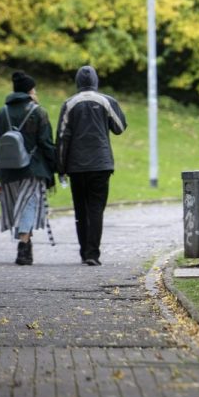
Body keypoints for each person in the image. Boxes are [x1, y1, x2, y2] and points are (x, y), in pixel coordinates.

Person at [56, 66, 127, 266]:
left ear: (77, 82)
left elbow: (62, 138)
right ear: (96, 81)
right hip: (101, 164)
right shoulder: (106, 101)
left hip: (76, 166)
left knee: (81, 209)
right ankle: (92, 253)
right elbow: (120, 127)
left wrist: (60, 168)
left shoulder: (69, 104)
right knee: (96, 209)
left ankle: (83, 250)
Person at [0, 71, 56, 265]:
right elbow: (46, 143)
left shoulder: (3, 112)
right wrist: (55, 165)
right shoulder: (38, 112)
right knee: (28, 205)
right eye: (34, 89)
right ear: (30, 91)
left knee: (19, 206)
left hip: (8, 170)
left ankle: (26, 241)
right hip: (32, 170)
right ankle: (24, 247)